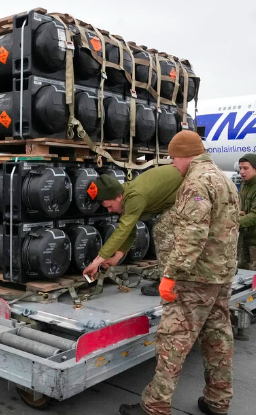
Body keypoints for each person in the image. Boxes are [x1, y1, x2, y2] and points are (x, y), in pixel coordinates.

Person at [120, 130, 240, 415]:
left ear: (185, 155)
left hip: (195, 278)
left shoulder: (196, 182)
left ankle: (155, 406)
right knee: (218, 338)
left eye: (174, 159)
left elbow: (192, 234)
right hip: (221, 275)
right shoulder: (225, 179)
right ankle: (218, 401)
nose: (173, 165)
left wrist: (171, 274)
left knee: (174, 339)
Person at [82, 165, 183, 295]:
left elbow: (123, 230)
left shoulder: (134, 197)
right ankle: (171, 279)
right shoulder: (126, 196)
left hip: (190, 188)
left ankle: (170, 283)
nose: (110, 210)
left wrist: (96, 262)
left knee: (162, 231)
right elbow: (129, 231)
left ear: (118, 197)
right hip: (178, 194)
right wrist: (115, 258)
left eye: (110, 206)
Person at [237, 153, 256, 270]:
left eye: (246, 168)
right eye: (240, 168)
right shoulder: (244, 184)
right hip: (244, 239)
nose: (242, 172)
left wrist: (234, 221)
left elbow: (254, 215)